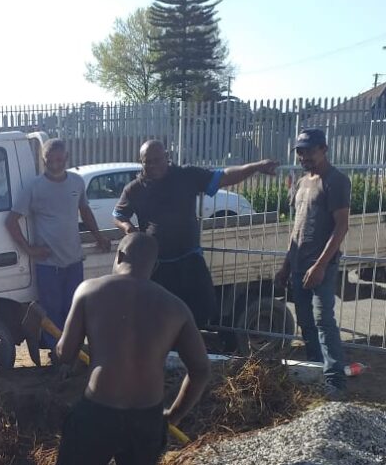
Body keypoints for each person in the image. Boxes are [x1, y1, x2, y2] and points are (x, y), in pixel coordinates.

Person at [49, 233, 211, 465]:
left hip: (96, 413)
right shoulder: (175, 307)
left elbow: (65, 353)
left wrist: (62, 346)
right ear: (154, 266)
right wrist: (172, 417)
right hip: (147, 419)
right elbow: (201, 371)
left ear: (120, 254)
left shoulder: (89, 290)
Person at [112, 140, 279, 327]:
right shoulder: (135, 188)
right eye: (147, 162)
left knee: (202, 310)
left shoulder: (186, 176)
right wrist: (128, 228)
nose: (152, 166)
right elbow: (118, 214)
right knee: (159, 317)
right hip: (158, 265)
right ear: (141, 162)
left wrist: (255, 167)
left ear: (167, 157)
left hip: (189, 259)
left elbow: (223, 177)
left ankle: (194, 347)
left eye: (157, 160)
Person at [5, 138, 111, 354]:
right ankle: (58, 358)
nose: (55, 164)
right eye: (49, 160)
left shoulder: (76, 182)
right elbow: (11, 221)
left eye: (59, 160)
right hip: (48, 265)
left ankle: (74, 354)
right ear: (43, 161)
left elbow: (85, 211)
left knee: (74, 311)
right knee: (52, 314)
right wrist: (30, 250)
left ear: (67, 159)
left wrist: (99, 237)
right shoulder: (34, 187)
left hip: (73, 261)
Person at [275, 129, 351, 394]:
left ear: (324, 149)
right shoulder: (302, 183)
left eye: (309, 150)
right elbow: (296, 228)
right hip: (298, 264)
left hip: (321, 266)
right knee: (306, 321)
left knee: (323, 321)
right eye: (300, 151)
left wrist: (319, 265)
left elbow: (341, 227)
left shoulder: (336, 181)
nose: (303, 155)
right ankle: (316, 370)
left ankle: (335, 380)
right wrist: (286, 265)